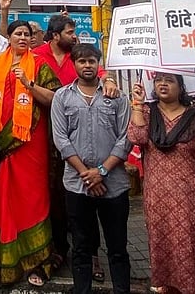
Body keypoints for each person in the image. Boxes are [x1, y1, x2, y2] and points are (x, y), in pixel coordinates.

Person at [0, 21, 62, 286]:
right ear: (9, 36)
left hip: (31, 141)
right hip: (2, 141)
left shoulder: (39, 64)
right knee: (3, 192)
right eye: (18, 33)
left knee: (31, 195)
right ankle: (1, 251)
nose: (23, 37)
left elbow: (55, 99)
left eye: (27, 34)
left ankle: (35, 256)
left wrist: (29, 84)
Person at [51, 43, 132, 294]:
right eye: (82, 61)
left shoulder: (117, 97)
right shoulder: (62, 97)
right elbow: (61, 139)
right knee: (81, 247)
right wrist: (87, 175)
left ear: (99, 64)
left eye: (91, 61)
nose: (87, 65)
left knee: (117, 248)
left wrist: (102, 172)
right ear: (74, 64)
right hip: (77, 185)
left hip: (113, 185)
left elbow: (125, 138)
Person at [128, 73, 195, 293]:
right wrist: (137, 104)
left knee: (193, 246)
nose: (163, 84)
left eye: (169, 80)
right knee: (163, 248)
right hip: (157, 198)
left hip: (191, 197)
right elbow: (137, 137)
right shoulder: (148, 112)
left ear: (181, 86)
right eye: (159, 80)